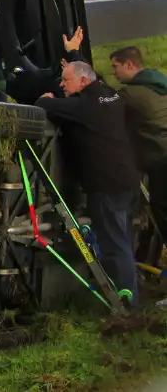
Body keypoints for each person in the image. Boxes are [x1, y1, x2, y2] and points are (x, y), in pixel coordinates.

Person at [34, 59, 142, 308]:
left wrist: (47, 96)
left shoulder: (84, 105)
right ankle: (129, 291)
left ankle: (126, 303)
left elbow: (44, 105)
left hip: (106, 183)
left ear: (83, 81)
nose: (62, 84)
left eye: (65, 80)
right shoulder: (110, 95)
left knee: (114, 243)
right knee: (123, 239)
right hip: (128, 178)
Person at [108, 46, 167, 237]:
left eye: (115, 67)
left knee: (162, 209)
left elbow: (103, 107)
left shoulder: (131, 94)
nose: (113, 73)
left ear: (129, 64)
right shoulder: (159, 82)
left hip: (161, 162)